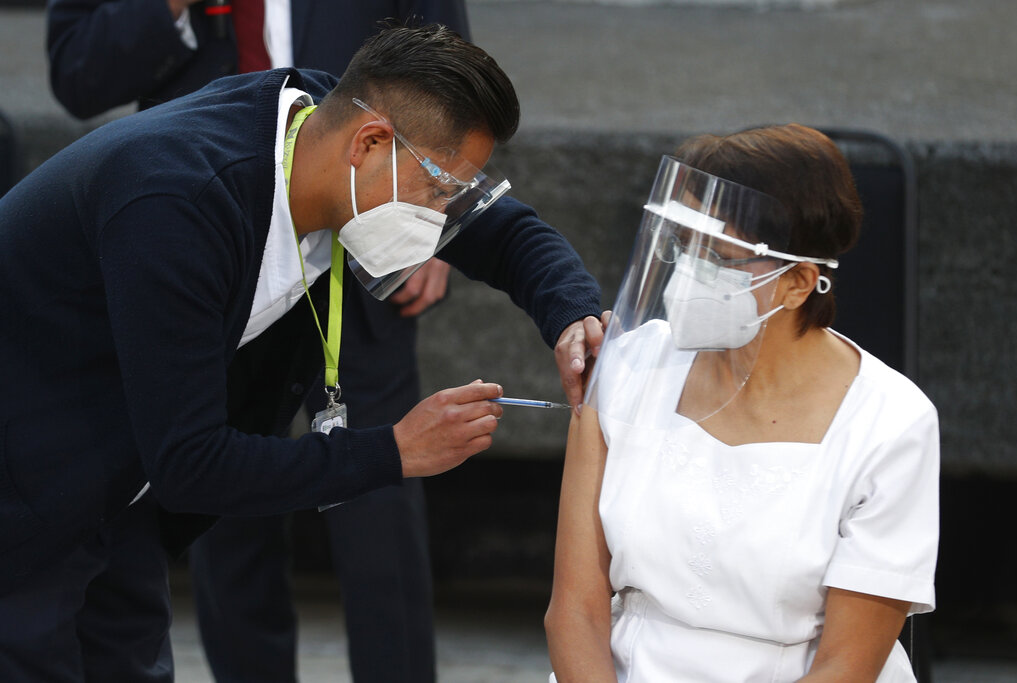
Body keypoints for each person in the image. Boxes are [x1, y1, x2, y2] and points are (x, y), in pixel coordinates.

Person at [0, 25, 603, 682]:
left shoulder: (320, 124)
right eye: (436, 192)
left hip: (119, 499)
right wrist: (394, 451)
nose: (439, 221)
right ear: (369, 143)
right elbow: (192, 461)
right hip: (26, 499)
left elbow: (506, 232)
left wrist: (571, 312)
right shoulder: (178, 203)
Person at [544, 124, 939, 682]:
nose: (689, 272)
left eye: (719, 256)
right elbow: (574, 613)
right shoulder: (630, 368)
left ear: (799, 281)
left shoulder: (891, 422)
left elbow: (847, 664)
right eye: (685, 246)